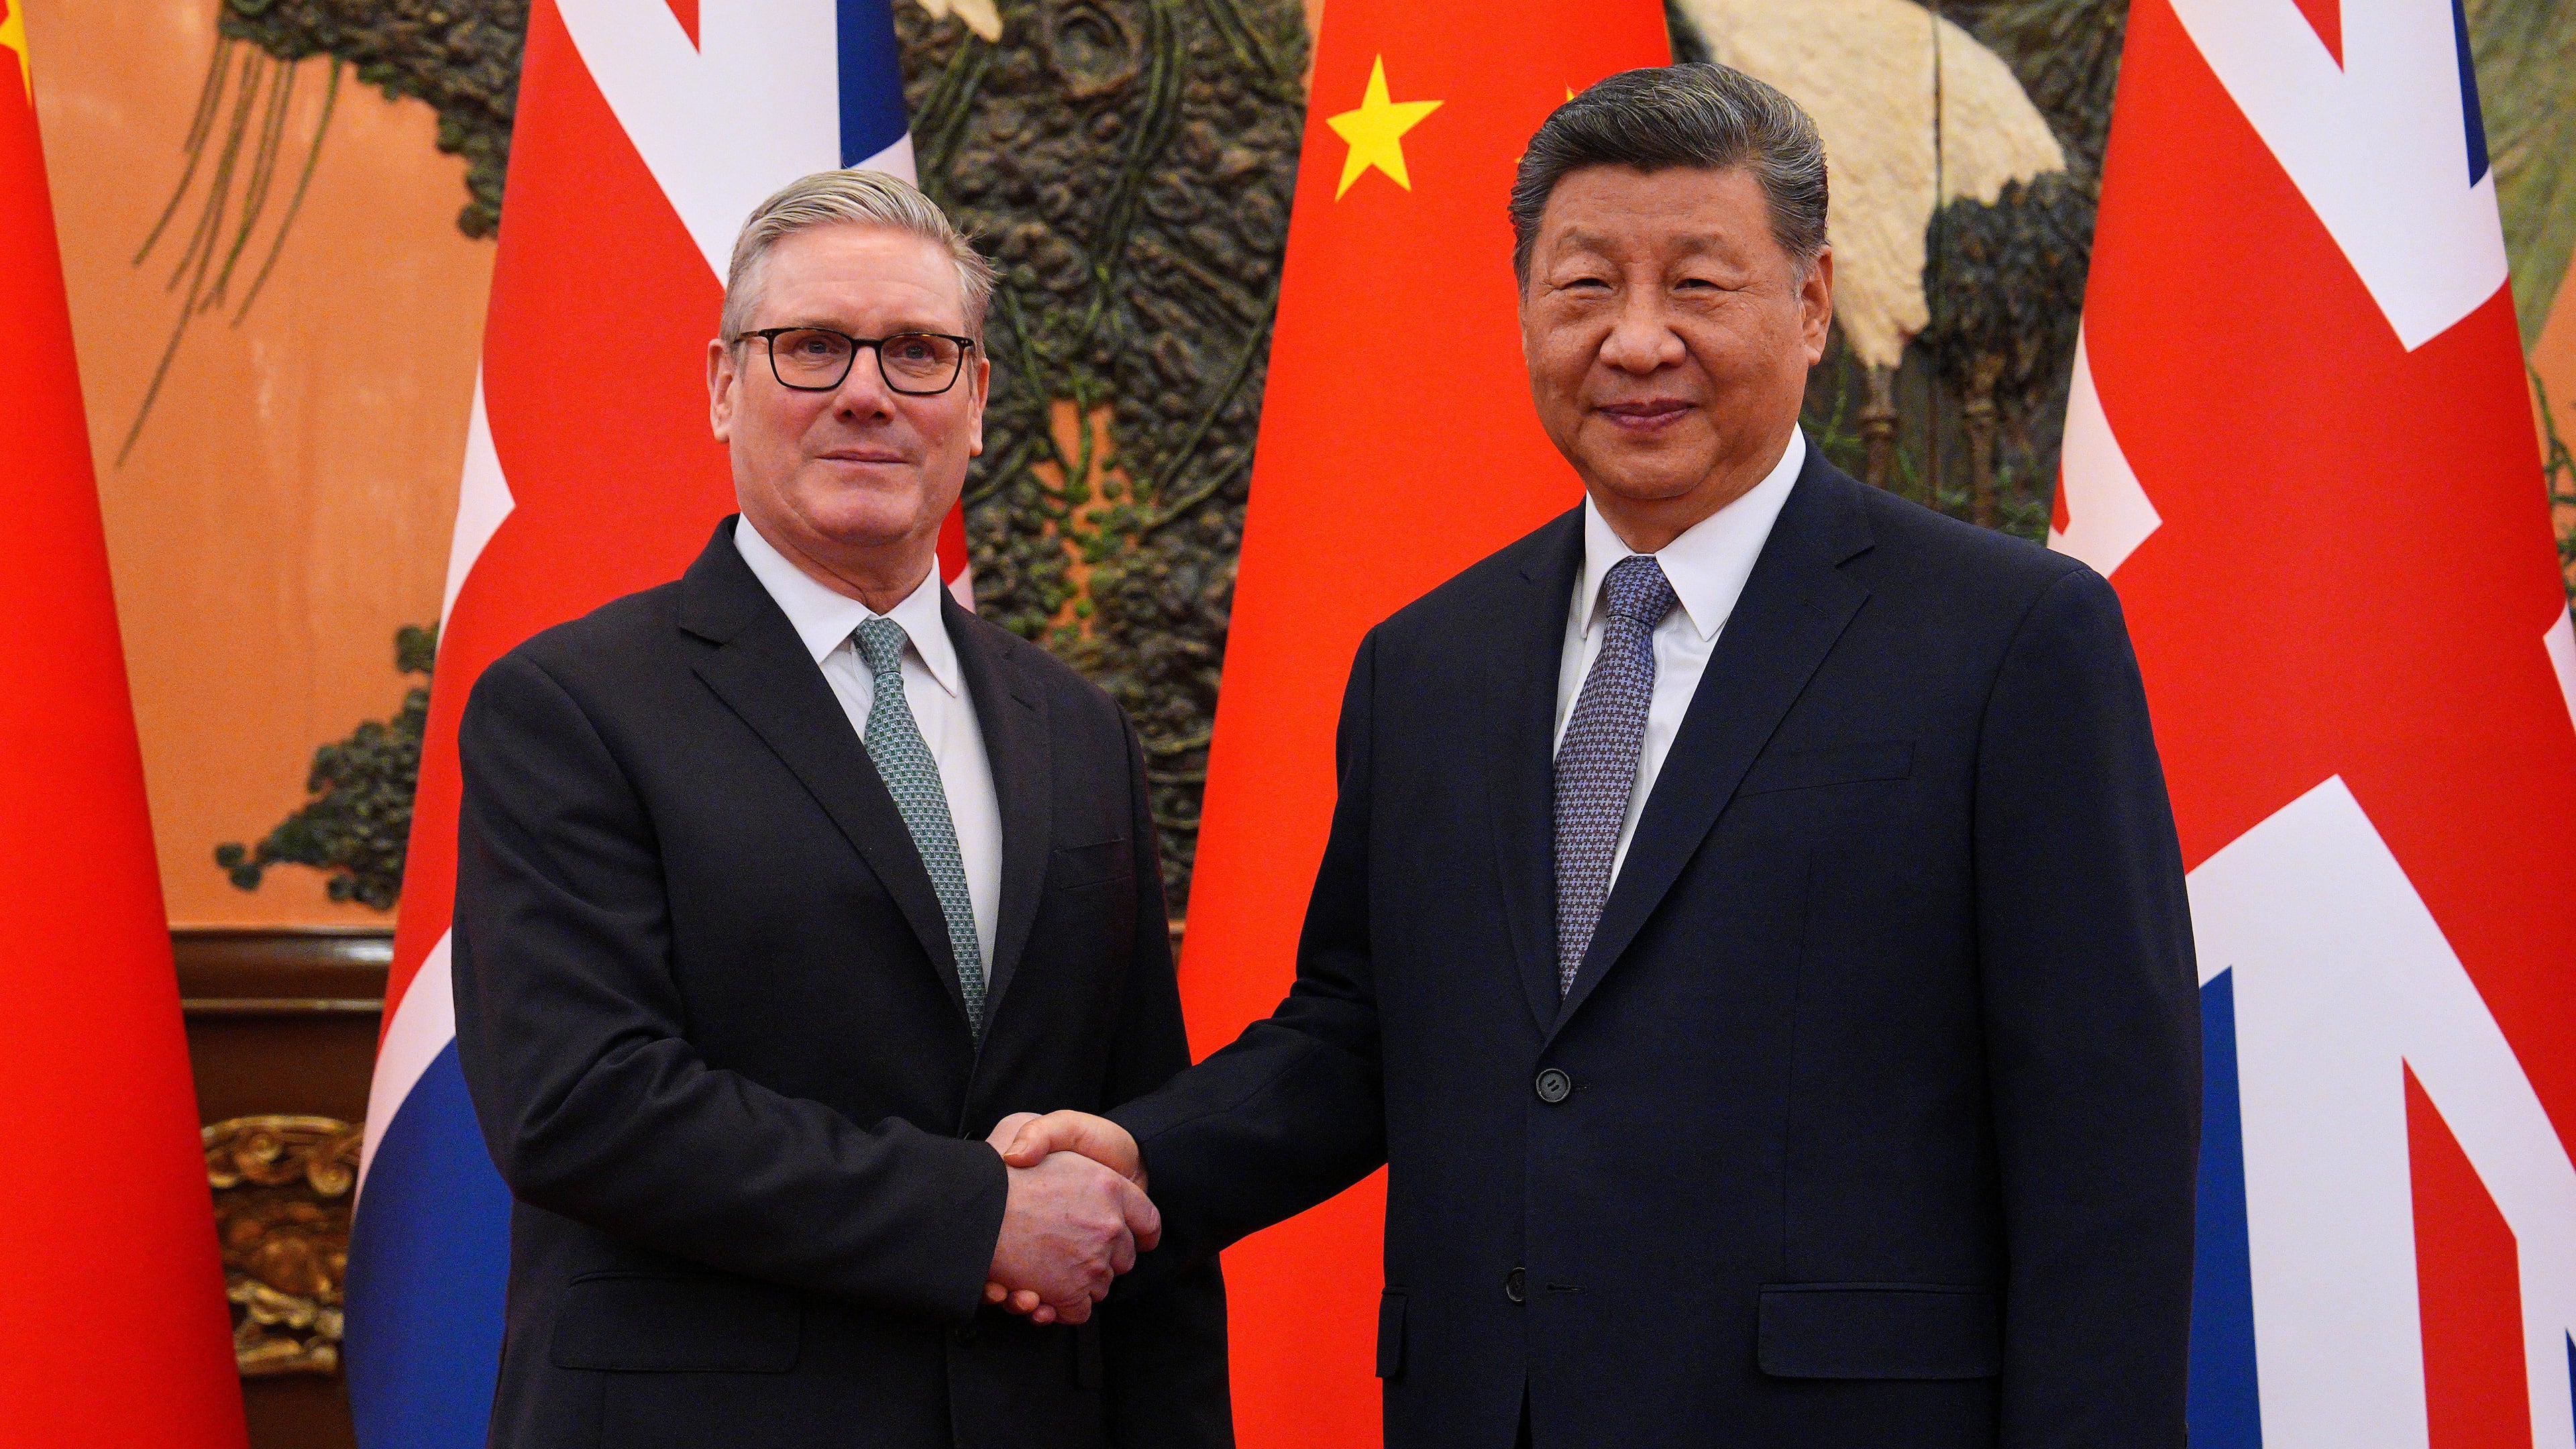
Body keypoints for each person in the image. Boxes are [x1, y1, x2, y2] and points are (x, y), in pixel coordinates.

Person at [998, 63, 2200, 1449]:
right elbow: (1355, 1036)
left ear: (1810, 306)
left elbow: (2103, 1142)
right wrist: (1145, 1156)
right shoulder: (1425, 664)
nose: (1637, 343)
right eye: (1585, 289)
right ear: (1523, 309)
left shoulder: (2009, 640)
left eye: (1698, 285)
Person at [449, 169, 1230, 1449]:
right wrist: (972, 1215)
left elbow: (1136, 1138)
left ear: (976, 406)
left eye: (920, 352)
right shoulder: (569, 707)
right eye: (810, 347)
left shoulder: (1077, 729)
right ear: (719, 386)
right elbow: (579, 1103)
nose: (866, 391)